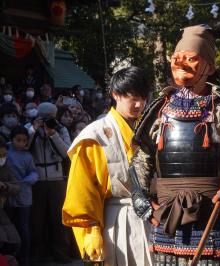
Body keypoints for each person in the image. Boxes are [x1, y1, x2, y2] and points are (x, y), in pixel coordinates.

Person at [131, 25, 220, 265]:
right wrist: (142, 200)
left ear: (210, 67)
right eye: (177, 59)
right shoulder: (160, 108)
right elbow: (142, 157)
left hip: (213, 221)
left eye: (191, 59)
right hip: (168, 220)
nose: (182, 64)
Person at [62, 66, 153, 265]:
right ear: (116, 95)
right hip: (116, 219)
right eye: (133, 98)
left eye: (143, 97)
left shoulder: (150, 130)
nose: (139, 104)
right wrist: (92, 230)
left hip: (153, 217)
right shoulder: (94, 135)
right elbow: (83, 190)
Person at [28, 102, 72, 263]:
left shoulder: (61, 129)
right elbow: (24, 147)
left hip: (57, 178)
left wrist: (53, 133)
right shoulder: (31, 128)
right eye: (44, 117)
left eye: (51, 117)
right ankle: (38, 253)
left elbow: (66, 153)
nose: (47, 119)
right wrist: (33, 129)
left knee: (59, 218)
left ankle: (61, 252)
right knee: (37, 218)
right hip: (37, 179)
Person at [6, 126, 39, 266]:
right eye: (18, 140)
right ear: (12, 139)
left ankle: (25, 258)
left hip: (24, 196)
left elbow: (34, 172)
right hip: (6, 196)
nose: (21, 143)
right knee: (8, 227)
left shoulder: (27, 155)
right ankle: (9, 256)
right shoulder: (5, 152)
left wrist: (30, 178)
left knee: (24, 228)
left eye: (24, 141)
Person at [0, 139, 21, 265]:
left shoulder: (6, 167)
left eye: (4, 155)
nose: (2, 158)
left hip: (2, 211)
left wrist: (5, 186)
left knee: (14, 241)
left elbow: (17, 187)